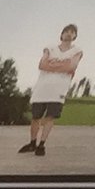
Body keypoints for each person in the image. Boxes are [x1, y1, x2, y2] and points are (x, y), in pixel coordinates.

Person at [21, 22, 82, 157]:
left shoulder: (77, 50)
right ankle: (32, 143)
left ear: (75, 36)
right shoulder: (50, 47)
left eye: (72, 32)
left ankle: (41, 145)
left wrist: (53, 64)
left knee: (50, 117)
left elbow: (71, 67)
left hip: (58, 90)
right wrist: (62, 64)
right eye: (66, 31)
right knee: (36, 117)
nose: (69, 33)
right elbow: (42, 64)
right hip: (42, 88)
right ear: (61, 34)